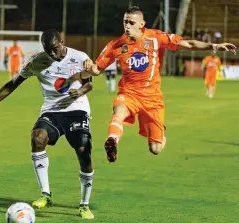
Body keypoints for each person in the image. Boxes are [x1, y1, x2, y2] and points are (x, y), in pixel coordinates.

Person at [84, 6, 237, 162]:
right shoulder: (116, 45)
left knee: (155, 149)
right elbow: (97, 69)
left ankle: (160, 133)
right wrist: (89, 67)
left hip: (152, 99)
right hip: (129, 94)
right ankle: (112, 140)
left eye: (131, 22)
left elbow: (188, 44)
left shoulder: (155, 38)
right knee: (119, 111)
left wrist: (214, 46)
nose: (127, 26)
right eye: (125, 22)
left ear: (141, 24)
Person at [0, 29, 95, 219]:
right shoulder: (37, 62)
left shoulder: (79, 57)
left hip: (77, 110)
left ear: (62, 41)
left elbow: (89, 83)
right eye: (47, 50)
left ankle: (84, 205)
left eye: (54, 49)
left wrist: (81, 91)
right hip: (52, 111)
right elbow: (12, 84)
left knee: (84, 151)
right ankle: (46, 194)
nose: (52, 54)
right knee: (37, 137)